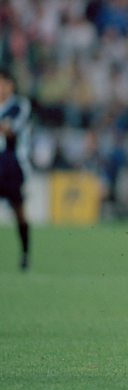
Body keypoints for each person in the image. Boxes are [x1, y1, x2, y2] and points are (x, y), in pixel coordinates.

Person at [0, 67, 32, 271]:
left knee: (19, 211)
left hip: (12, 164)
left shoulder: (20, 105)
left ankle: (25, 253)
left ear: (10, 85)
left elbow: (11, 131)